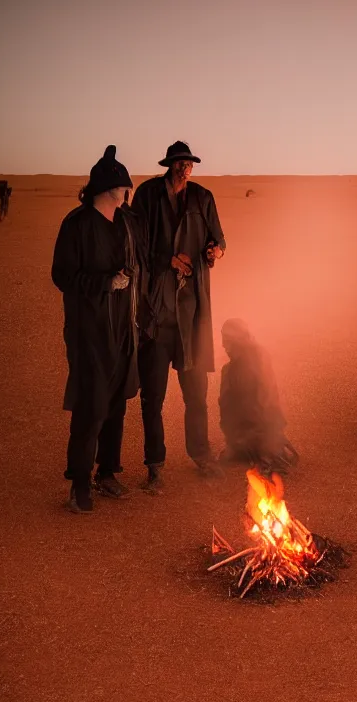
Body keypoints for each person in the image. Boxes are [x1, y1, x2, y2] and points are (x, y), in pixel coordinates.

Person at [51, 146, 148, 513]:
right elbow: (62, 276)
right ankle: (78, 484)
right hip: (89, 331)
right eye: (125, 187)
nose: (128, 193)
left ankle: (106, 473)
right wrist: (105, 283)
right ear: (110, 187)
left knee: (117, 401)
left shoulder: (125, 223)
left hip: (123, 326)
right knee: (92, 403)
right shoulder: (77, 224)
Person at [131, 141, 226, 492]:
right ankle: (155, 466)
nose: (184, 169)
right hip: (157, 314)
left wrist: (215, 251)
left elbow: (219, 239)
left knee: (196, 394)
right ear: (168, 165)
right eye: (178, 163)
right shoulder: (147, 195)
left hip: (191, 316)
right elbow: (135, 245)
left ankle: (201, 455)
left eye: (188, 164)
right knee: (152, 397)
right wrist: (166, 260)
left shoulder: (203, 197)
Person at [218, 318, 299, 474]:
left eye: (227, 341)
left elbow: (269, 402)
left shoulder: (259, 361)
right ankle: (246, 447)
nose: (223, 346)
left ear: (238, 341)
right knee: (238, 451)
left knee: (271, 455)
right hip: (243, 432)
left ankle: (267, 448)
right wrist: (233, 436)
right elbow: (226, 407)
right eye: (223, 340)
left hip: (263, 428)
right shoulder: (229, 370)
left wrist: (267, 434)